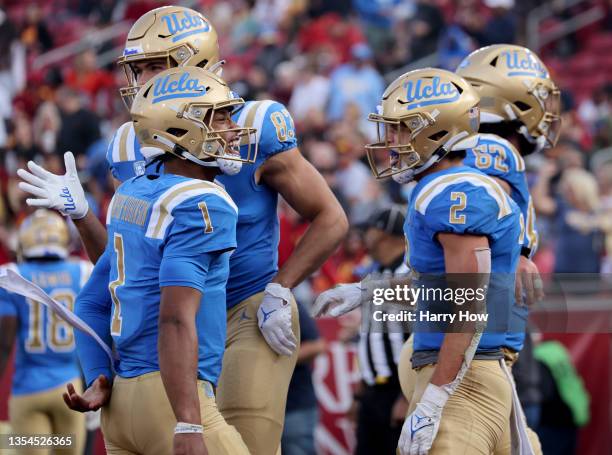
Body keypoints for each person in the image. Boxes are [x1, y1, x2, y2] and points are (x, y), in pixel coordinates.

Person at [18, 6, 348, 455]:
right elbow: (126, 263)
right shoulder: (133, 141)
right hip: (177, 321)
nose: (143, 80)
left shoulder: (252, 128)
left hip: (249, 310)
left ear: (197, 63)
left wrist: (280, 288)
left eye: (156, 65)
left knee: (245, 440)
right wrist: (83, 217)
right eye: (139, 68)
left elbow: (332, 218)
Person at [314, 68, 525, 454]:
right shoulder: (441, 187)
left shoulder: (453, 192)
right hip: (465, 372)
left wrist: (435, 398)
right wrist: (368, 292)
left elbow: (468, 305)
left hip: (464, 379)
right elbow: (439, 292)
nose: (390, 142)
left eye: (399, 129)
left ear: (437, 131)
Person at [63, 67, 252, 455]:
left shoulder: (130, 193)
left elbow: (90, 302)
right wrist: (187, 420)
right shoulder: (203, 203)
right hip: (172, 400)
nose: (234, 128)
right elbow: (174, 318)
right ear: (181, 129)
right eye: (220, 117)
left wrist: (98, 373)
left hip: (120, 403)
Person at [456, 44, 564, 453]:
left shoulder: (477, 154)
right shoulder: (491, 154)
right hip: (480, 338)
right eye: (538, 96)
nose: (546, 108)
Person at [0, 209, 89, 455]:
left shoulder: (13, 276)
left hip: (27, 391)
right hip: (70, 390)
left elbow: (4, 343)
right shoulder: (81, 272)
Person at [353, 206, 410, 455]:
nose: (366, 234)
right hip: (373, 392)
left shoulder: (410, 273)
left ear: (386, 233)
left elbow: (424, 336)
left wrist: (409, 395)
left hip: (398, 391)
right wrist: (360, 395)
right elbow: (369, 337)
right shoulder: (374, 274)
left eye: (371, 228)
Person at [281, 302, 326, 455]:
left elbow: (317, 345)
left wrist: (274, 364)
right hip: (262, 406)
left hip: (293, 405)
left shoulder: (286, 300)